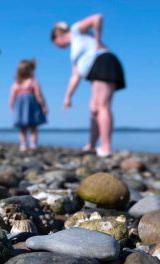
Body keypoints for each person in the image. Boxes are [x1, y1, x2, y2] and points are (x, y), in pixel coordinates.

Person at [51, 14, 125, 157]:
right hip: (94, 72)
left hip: (103, 62)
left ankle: (106, 147)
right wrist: (68, 97)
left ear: (57, 36)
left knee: (102, 106)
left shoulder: (76, 31)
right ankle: (91, 144)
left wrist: (97, 40)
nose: (58, 47)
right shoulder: (75, 51)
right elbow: (75, 76)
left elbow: (97, 18)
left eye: (56, 44)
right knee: (93, 109)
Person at [9, 59, 48, 152]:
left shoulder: (16, 84)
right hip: (32, 108)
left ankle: (23, 145)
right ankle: (33, 144)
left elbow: (12, 98)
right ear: (30, 71)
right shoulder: (33, 82)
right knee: (33, 127)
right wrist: (43, 106)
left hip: (20, 109)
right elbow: (39, 96)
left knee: (22, 128)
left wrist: (11, 107)